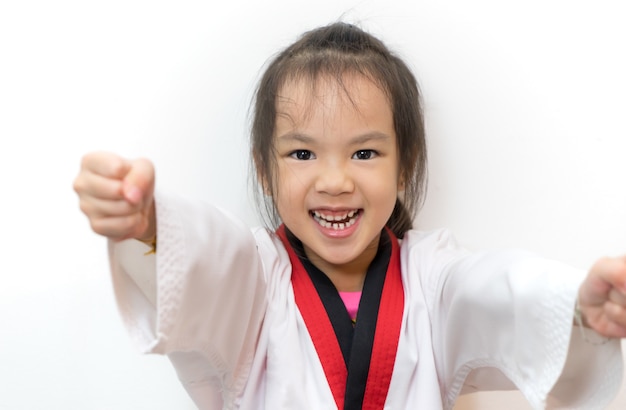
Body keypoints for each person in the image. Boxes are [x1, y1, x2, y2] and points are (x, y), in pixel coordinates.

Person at [73, 22, 626, 409]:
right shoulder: (258, 278)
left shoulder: (431, 276)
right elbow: (204, 261)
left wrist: (574, 308)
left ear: (403, 165)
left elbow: (496, 290)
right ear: (264, 171)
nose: (335, 181)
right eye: (302, 153)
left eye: (364, 153)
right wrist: (145, 225)